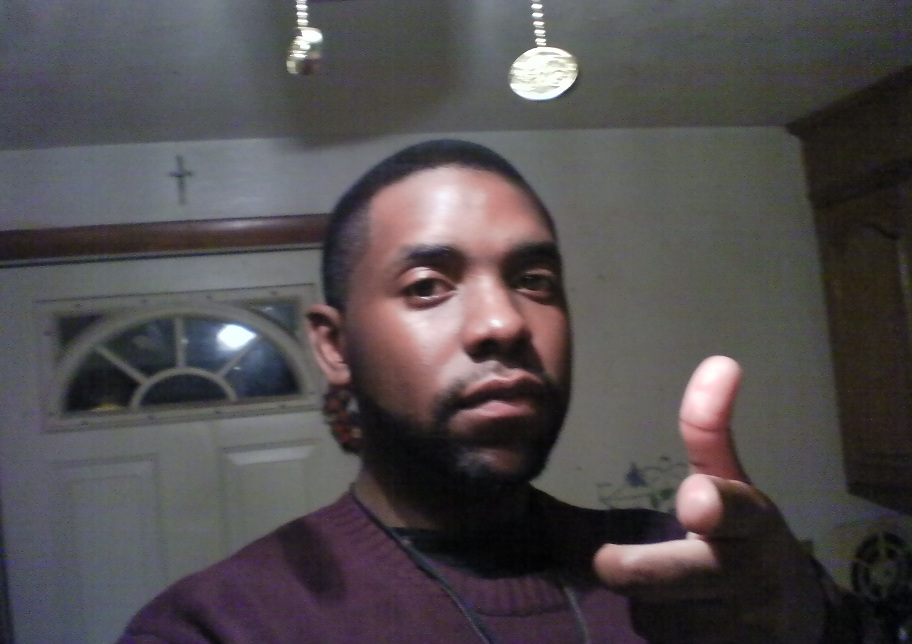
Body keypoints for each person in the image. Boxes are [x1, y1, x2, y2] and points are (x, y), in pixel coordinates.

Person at [118, 139, 883, 643]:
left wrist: (812, 620)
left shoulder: (691, 572)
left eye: (535, 280)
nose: (503, 322)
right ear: (333, 345)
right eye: (427, 285)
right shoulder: (221, 626)